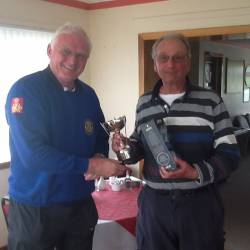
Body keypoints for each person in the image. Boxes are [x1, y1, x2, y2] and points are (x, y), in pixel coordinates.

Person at [112, 33, 240, 250]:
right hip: (155, 205)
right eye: (163, 58)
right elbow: (139, 146)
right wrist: (124, 147)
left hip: (199, 203)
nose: (171, 64)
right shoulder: (144, 102)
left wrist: (194, 172)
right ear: (155, 64)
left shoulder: (210, 100)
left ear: (188, 62)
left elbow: (230, 153)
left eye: (178, 57)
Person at [5, 23, 127, 250]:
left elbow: (101, 133)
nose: (73, 61)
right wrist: (91, 164)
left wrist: (100, 154)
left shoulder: (88, 95)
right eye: (66, 52)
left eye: (81, 56)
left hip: (80, 204)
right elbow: (34, 155)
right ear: (50, 51)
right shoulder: (25, 91)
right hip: (36, 207)